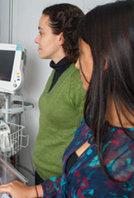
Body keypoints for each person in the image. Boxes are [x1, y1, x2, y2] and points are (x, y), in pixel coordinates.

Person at [0, 1, 134, 198]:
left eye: (41, 32)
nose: (36, 39)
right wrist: (34, 191)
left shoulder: (120, 162)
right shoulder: (94, 112)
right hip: (51, 180)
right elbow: (73, 176)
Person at [32, 4, 85, 185]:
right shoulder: (58, 69)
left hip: (60, 180)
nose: (36, 39)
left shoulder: (78, 79)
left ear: (61, 37)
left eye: (42, 32)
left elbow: (95, 135)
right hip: (42, 171)